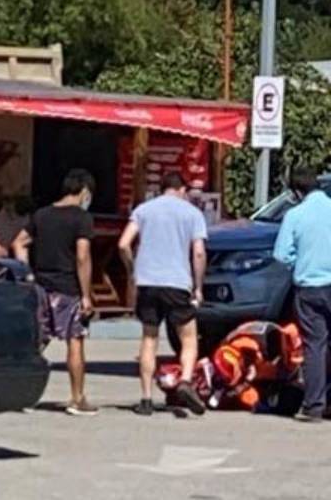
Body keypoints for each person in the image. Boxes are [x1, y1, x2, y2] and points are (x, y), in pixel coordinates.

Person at [272, 167, 331, 423]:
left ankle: (313, 406)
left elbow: (281, 254)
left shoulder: (295, 215)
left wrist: (300, 262)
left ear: (295, 192)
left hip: (310, 287)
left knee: (314, 346)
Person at [118, 172, 208, 417]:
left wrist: (132, 269)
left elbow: (123, 243)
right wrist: (198, 286)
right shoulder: (192, 214)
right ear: (182, 190)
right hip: (178, 283)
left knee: (149, 339)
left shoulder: (144, 210)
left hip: (147, 282)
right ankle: (186, 382)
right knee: (189, 338)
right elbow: (198, 252)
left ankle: (146, 398)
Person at [12, 170, 98, 416]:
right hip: (68, 288)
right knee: (75, 341)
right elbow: (83, 256)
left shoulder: (41, 215)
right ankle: (77, 398)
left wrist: (27, 272)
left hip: (41, 286)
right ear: (84, 192)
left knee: (38, 341)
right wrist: (86, 295)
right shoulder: (82, 219)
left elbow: (19, 243)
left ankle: (21, 395)